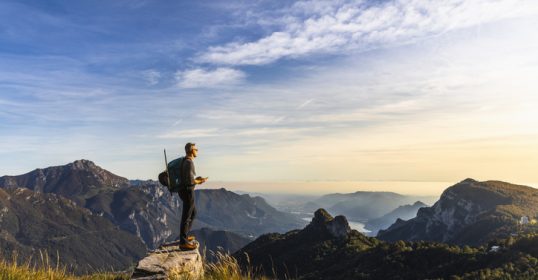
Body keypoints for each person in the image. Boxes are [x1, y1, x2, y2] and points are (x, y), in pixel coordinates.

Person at [178, 142, 208, 250]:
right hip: (188, 191)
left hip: (182, 191)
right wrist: (200, 181)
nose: (197, 150)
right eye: (196, 149)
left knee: (193, 212)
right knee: (186, 216)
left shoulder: (183, 161)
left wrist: (197, 179)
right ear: (191, 150)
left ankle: (185, 236)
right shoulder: (189, 162)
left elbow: (187, 178)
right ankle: (183, 242)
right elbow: (190, 181)